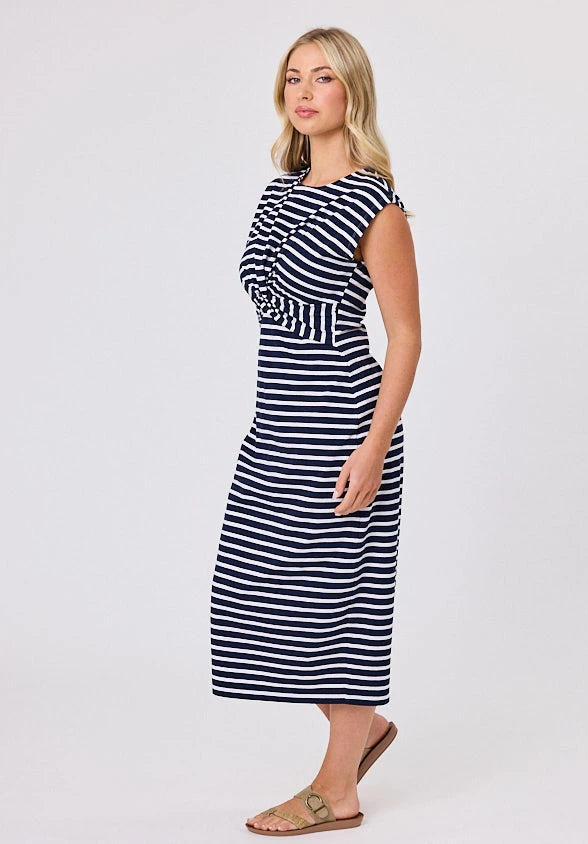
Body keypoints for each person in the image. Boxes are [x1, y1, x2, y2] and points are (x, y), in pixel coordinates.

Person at [210, 26, 422, 836]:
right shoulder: (277, 193)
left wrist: (372, 446)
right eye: (293, 77)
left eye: (323, 78)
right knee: (263, 592)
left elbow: (404, 334)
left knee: (337, 598)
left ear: (351, 94)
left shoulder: (378, 201)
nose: (304, 91)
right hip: (275, 423)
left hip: (342, 422)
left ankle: (339, 787)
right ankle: (361, 730)